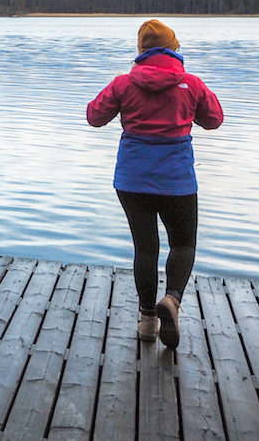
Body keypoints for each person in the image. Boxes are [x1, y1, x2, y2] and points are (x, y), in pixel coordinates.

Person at [87, 19, 223, 349]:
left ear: (141, 51)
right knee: (183, 245)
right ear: (174, 49)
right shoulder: (191, 84)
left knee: (145, 248)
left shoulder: (123, 84)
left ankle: (147, 321)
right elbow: (214, 120)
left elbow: (94, 116)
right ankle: (172, 300)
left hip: (132, 180)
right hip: (177, 180)